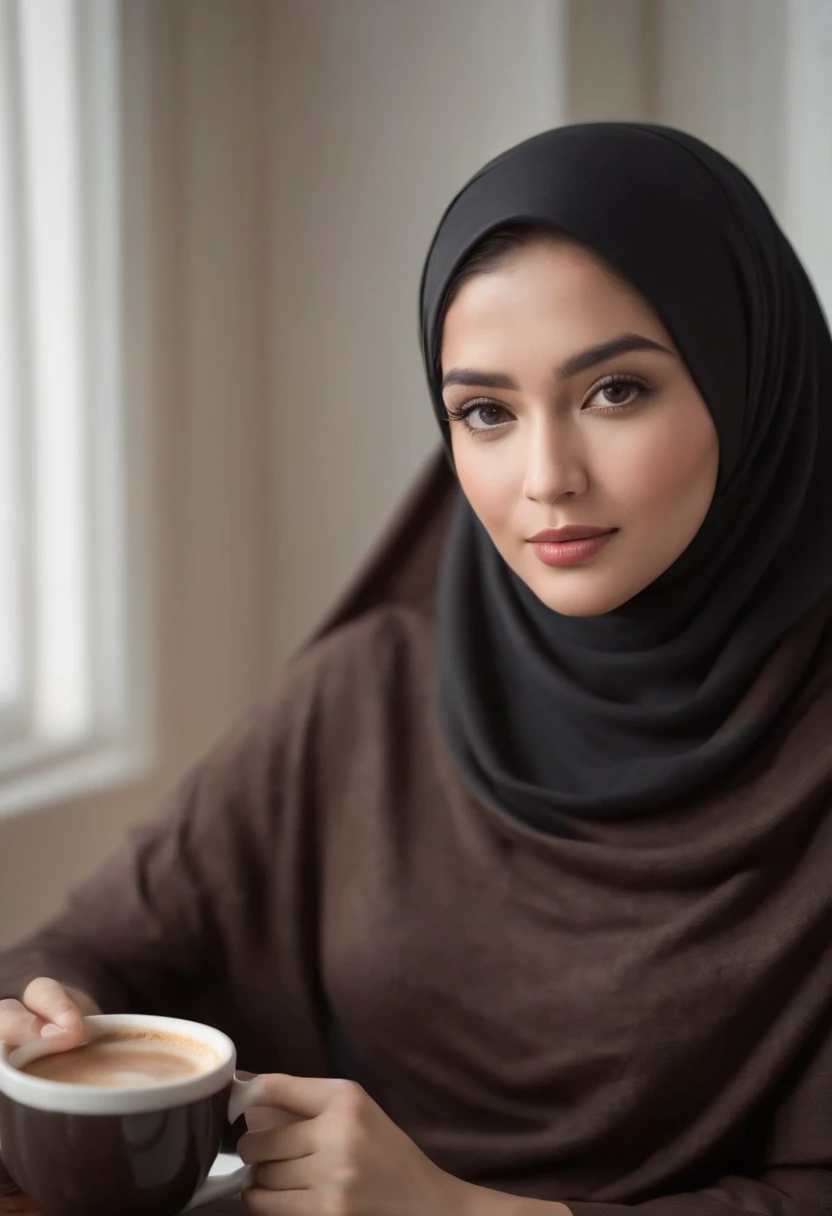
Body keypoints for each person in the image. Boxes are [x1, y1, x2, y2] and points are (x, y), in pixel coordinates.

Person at [1, 123, 831, 1216]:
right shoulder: (367, 695)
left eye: (615, 391)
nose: (545, 477)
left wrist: (460, 1212)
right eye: (484, 411)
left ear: (750, 378)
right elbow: (100, 946)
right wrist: (32, 1013)